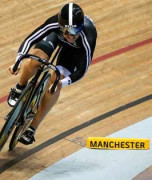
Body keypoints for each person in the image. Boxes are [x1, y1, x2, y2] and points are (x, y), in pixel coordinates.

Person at [7, 3, 97, 145]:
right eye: (67, 32)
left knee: (55, 82)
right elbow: (31, 39)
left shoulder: (88, 35)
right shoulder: (54, 23)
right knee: (36, 61)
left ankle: (32, 128)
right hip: (55, 37)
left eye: (75, 32)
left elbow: (82, 69)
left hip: (74, 53)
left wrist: (62, 82)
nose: (71, 36)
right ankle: (20, 87)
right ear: (61, 26)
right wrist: (17, 61)